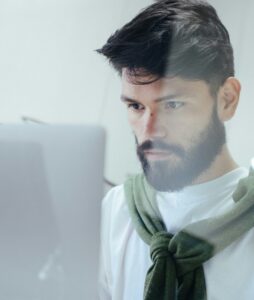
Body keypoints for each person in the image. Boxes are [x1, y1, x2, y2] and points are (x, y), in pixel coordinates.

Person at [97, 0, 254, 299]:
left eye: (173, 104)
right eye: (135, 106)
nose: (149, 130)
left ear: (227, 100)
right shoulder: (116, 211)